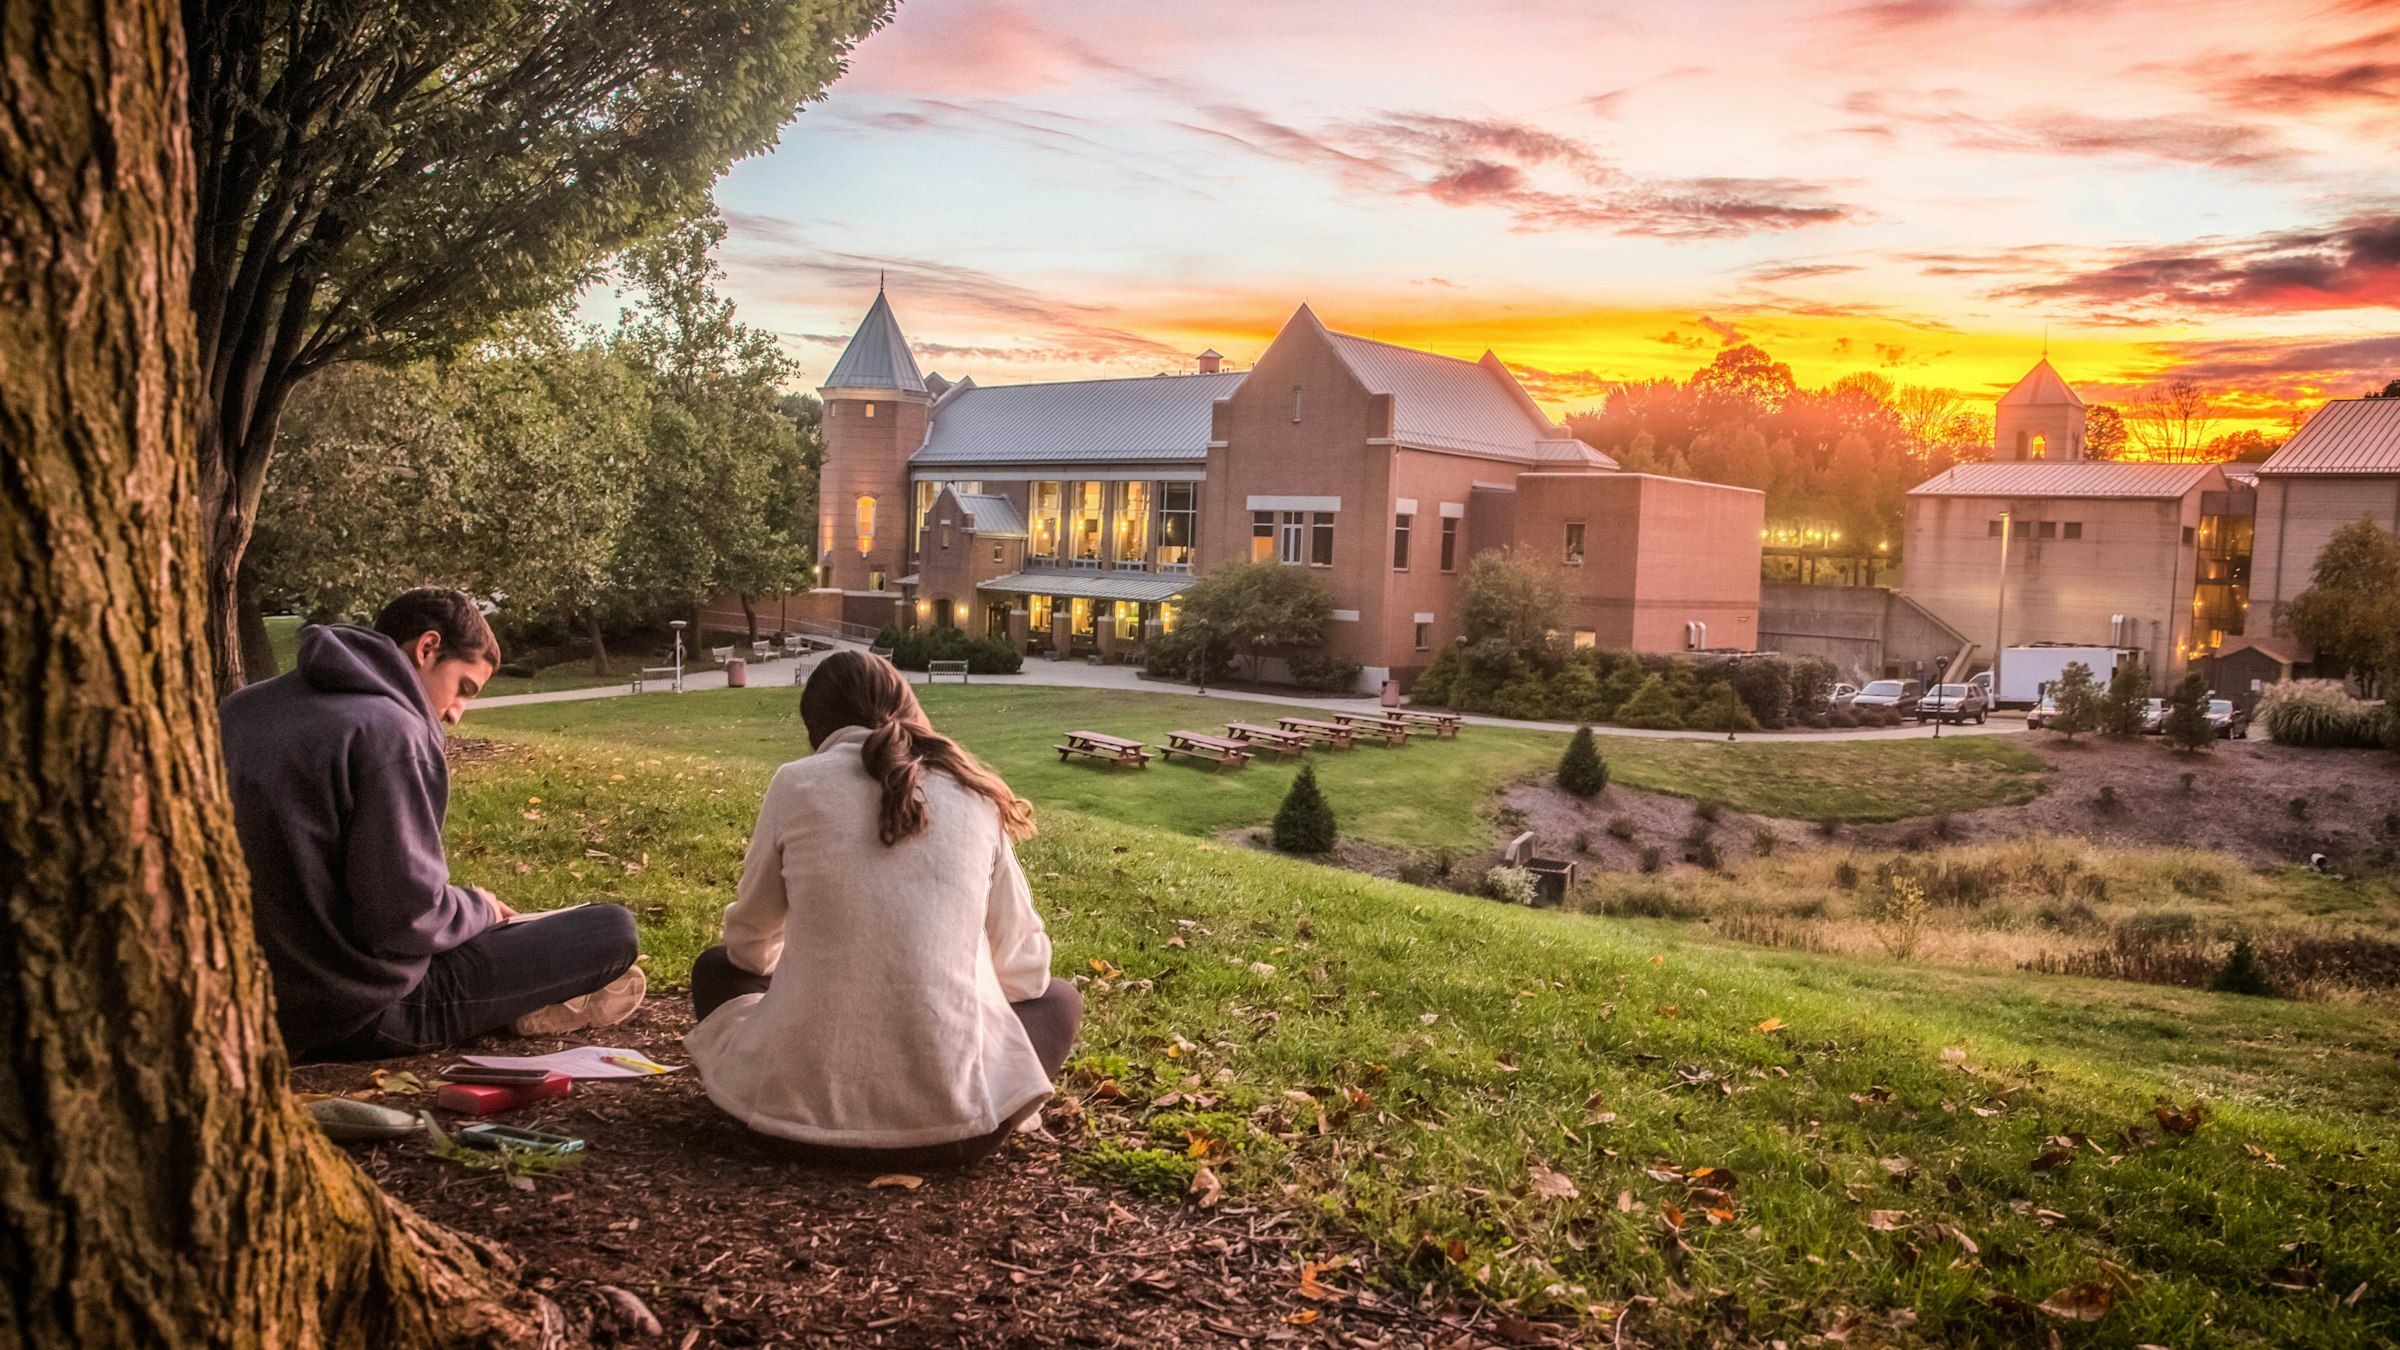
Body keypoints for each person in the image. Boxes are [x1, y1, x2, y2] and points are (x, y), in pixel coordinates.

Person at [684, 650, 1081, 1169]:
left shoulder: (796, 783)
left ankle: (791, 1080)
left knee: (716, 968)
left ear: (817, 729)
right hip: (960, 1131)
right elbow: (1025, 973)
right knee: (1060, 1001)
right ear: (910, 706)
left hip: (786, 1127)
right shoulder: (974, 795)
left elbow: (749, 947)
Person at [219, 588, 644, 1061]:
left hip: (237, 1002)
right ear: (426, 648)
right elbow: (405, 920)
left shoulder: (241, 708)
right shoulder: (392, 733)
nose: (456, 713)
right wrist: (480, 907)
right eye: (463, 687)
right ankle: (525, 1003)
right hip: (353, 1010)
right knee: (610, 930)